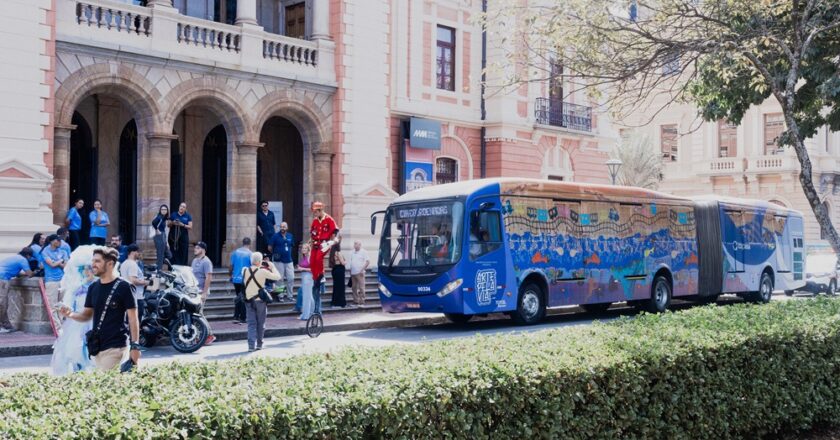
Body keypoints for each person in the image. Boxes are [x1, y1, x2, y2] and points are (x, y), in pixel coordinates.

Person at [59, 247, 141, 372]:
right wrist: (70, 314)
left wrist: (135, 346)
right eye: (93, 261)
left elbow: (133, 319)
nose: (93, 265)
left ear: (110, 264)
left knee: (104, 385)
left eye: (97, 261)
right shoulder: (93, 287)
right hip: (96, 347)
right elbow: (86, 315)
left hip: (115, 346)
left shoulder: (125, 287)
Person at [51, 246, 98, 375]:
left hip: (94, 320)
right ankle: (80, 369)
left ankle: (92, 369)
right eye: (85, 270)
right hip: (78, 321)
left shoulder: (99, 286)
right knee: (75, 346)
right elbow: (71, 304)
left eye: (90, 269)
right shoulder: (79, 287)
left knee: (92, 345)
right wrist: (66, 309)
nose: (88, 272)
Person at [242, 252, 281, 352]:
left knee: (251, 324)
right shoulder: (262, 271)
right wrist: (272, 266)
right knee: (261, 323)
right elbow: (278, 277)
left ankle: (251, 346)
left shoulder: (245, 270)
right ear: (260, 261)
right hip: (260, 301)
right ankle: (259, 344)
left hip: (249, 301)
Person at [309, 201, 338, 311]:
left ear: (320, 210)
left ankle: (321, 276)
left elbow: (336, 231)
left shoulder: (329, 219)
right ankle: (316, 278)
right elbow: (312, 231)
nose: (314, 214)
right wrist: (312, 239)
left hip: (325, 243)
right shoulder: (315, 221)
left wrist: (332, 241)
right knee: (312, 261)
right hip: (316, 243)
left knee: (318, 258)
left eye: (315, 211)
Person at [0, 248, 34, 333]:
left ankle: (7, 325)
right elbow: (29, 274)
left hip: (2, 276)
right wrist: (35, 272)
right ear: (28, 255)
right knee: (2, 303)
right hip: (2, 279)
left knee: (4, 303)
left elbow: (14, 271)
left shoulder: (15, 258)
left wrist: (21, 274)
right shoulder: (23, 260)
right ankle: (3, 325)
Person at [191, 241, 215, 345]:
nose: (195, 249)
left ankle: (209, 335)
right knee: (196, 314)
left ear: (203, 250)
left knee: (199, 314)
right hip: (194, 291)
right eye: (195, 248)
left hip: (201, 291)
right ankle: (199, 335)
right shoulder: (194, 260)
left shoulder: (207, 262)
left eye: (197, 248)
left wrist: (204, 293)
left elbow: (208, 278)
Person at [42, 234, 69, 326]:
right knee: (52, 305)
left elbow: (65, 266)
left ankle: (62, 324)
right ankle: (57, 327)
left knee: (62, 304)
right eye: (58, 241)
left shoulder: (63, 251)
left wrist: (56, 262)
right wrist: (60, 261)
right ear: (52, 241)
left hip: (62, 279)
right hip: (51, 280)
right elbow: (51, 265)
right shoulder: (45, 251)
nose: (60, 242)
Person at [119, 244, 149, 323]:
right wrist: (147, 282)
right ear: (133, 252)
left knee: (128, 322)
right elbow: (133, 280)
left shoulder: (124, 263)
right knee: (135, 323)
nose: (139, 254)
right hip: (136, 297)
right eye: (138, 252)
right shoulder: (132, 264)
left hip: (127, 296)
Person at [268, 222, 295, 302]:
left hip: (289, 260)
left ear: (287, 228)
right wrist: (275, 253)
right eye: (281, 227)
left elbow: (292, 245)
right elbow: (269, 247)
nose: (282, 228)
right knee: (280, 279)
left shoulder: (290, 236)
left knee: (291, 278)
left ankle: (290, 295)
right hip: (278, 261)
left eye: (284, 227)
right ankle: (280, 296)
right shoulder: (275, 236)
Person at [229, 237, 253, 324]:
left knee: (238, 297)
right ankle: (242, 317)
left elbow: (231, 266)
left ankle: (236, 316)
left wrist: (230, 275)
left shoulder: (235, 252)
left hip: (236, 279)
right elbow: (252, 267)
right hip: (245, 279)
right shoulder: (250, 254)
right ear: (250, 244)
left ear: (242, 243)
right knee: (243, 298)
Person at [349, 240, 370, 307]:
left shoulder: (364, 252)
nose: (354, 245)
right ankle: (356, 301)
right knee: (354, 287)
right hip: (353, 273)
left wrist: (362, 270)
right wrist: (350, 270)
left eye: (356, 244)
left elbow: (367, 262)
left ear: (360, 245)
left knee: (361, 288)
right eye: (354, 244)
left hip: (360, 273)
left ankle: (362, 302)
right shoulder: (352, 252)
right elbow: (351, 261)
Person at [151, 204, 172, 269]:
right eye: (162, 209)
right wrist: (157, 230)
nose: (164, 211)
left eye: (165, 209)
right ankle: (159, 271)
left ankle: (161, 262)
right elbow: (153, 222)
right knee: (160, 254)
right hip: (159, 236)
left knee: (169, 255)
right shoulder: (160, 217)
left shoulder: (164, 218)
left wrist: (167, 242)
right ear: (160, 210)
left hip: (163, 236)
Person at [297, 243, 314, 320]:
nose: (303, 250)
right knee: (309, 296)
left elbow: (313, 269)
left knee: (306, 296)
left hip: (308, 277)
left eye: (305, 248)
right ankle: (310, 313)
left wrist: (302, 269)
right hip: (304, 276)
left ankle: (306, 315)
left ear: (308, 249)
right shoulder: (304, 256)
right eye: (302, 248)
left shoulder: (310, 257)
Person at [329, 241, 347, 308]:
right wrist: (345, 261)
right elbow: (342, 263)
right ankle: (340, 302)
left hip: (335, 269)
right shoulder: (338, 253)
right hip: (340, 270)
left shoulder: (332, 253)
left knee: (336, 287)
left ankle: (334, 302)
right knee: (341, 287)